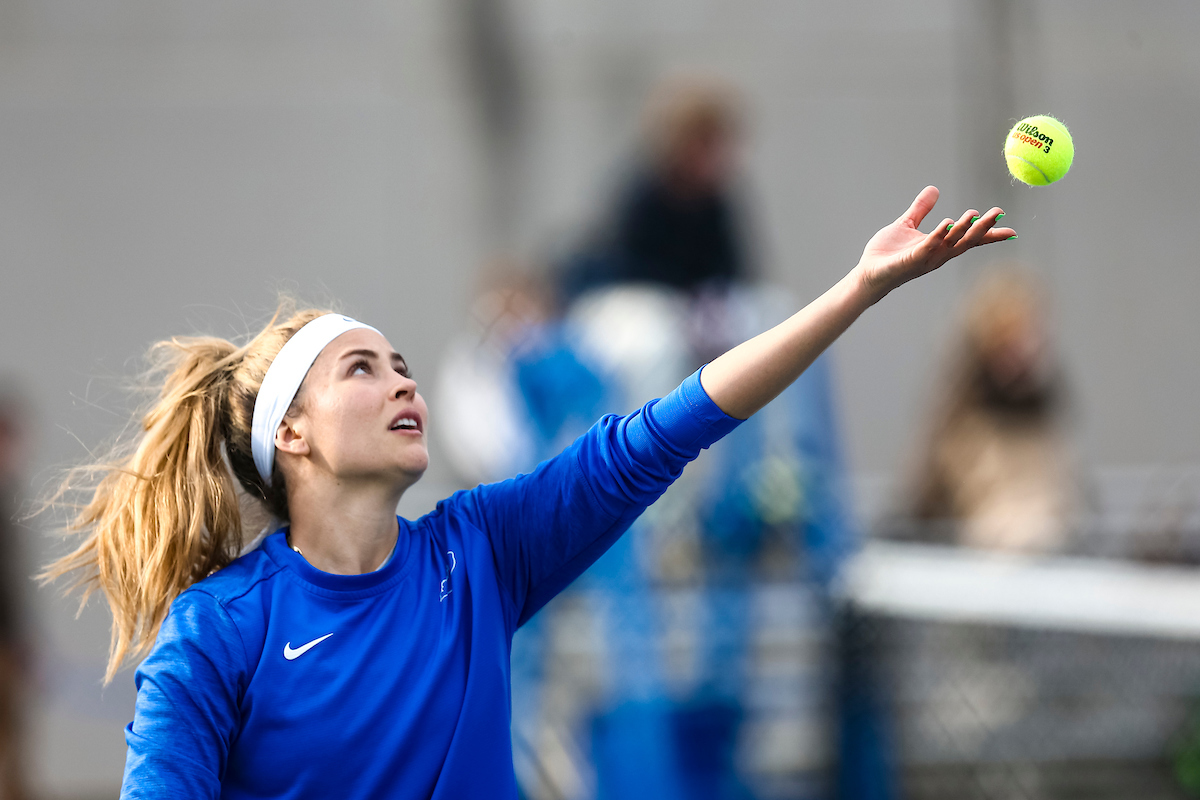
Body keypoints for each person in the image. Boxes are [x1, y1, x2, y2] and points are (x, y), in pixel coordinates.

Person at [43, 187, 1014, 798]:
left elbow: (675, 422)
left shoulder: (480, 550)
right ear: (290, 434)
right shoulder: (217, 629)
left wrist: (857, 289)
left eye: (403, 364)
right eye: (362, 369)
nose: (404, 384)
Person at [896, 268, 1079, 553]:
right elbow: (921, 507)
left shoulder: (1046, 423)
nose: (1027, 354)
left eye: (1035, 339)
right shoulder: (960, 433)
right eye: (1012, 344)